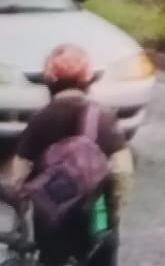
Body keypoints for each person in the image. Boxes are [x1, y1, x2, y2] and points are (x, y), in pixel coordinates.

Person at [2, 45, 134, 266]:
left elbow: (18, 176)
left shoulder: (41, 120)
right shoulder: (104, 118)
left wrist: (22, 203)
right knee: (101, 254)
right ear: (88, 78)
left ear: (49, 79)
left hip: (52, 213)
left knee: (53, 259)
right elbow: (123, 171)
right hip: (98, 210)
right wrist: (114, 210)